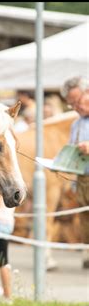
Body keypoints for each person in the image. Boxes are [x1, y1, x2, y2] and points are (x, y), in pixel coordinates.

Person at [67, 88, 89, 268]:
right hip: (82, 177)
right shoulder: (76, 124)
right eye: (71, 104)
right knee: (84, 219)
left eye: (77, 101)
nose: (75, 107)